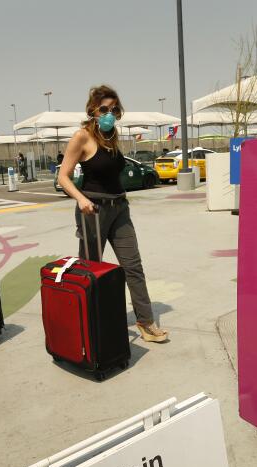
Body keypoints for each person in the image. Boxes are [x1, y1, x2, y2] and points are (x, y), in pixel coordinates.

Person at [58, 84, 168, 343]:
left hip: (119, 208)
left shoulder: (112, 136)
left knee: (133, 267)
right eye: (104, 109)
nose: (110, 113)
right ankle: (88, 322)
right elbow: (63, 176)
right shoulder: (81, 137)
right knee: (90, 270)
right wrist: (81, 199)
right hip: (93, 210)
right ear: (93, 110)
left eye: (114, 109)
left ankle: (145, 321)